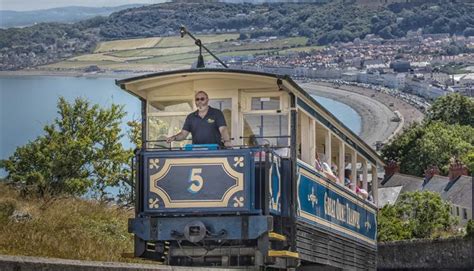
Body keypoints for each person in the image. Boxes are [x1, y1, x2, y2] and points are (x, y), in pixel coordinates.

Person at [166, 91, 231, 147]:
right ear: (195, 101)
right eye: (197, 99)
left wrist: (227, 141)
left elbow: (223, 129)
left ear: (207, 100)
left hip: (214, 151)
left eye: (202, 99)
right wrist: (174, 137)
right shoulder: (190, 117)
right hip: (197, 152)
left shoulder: (217, 113)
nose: (199, 101)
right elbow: (183, 134)